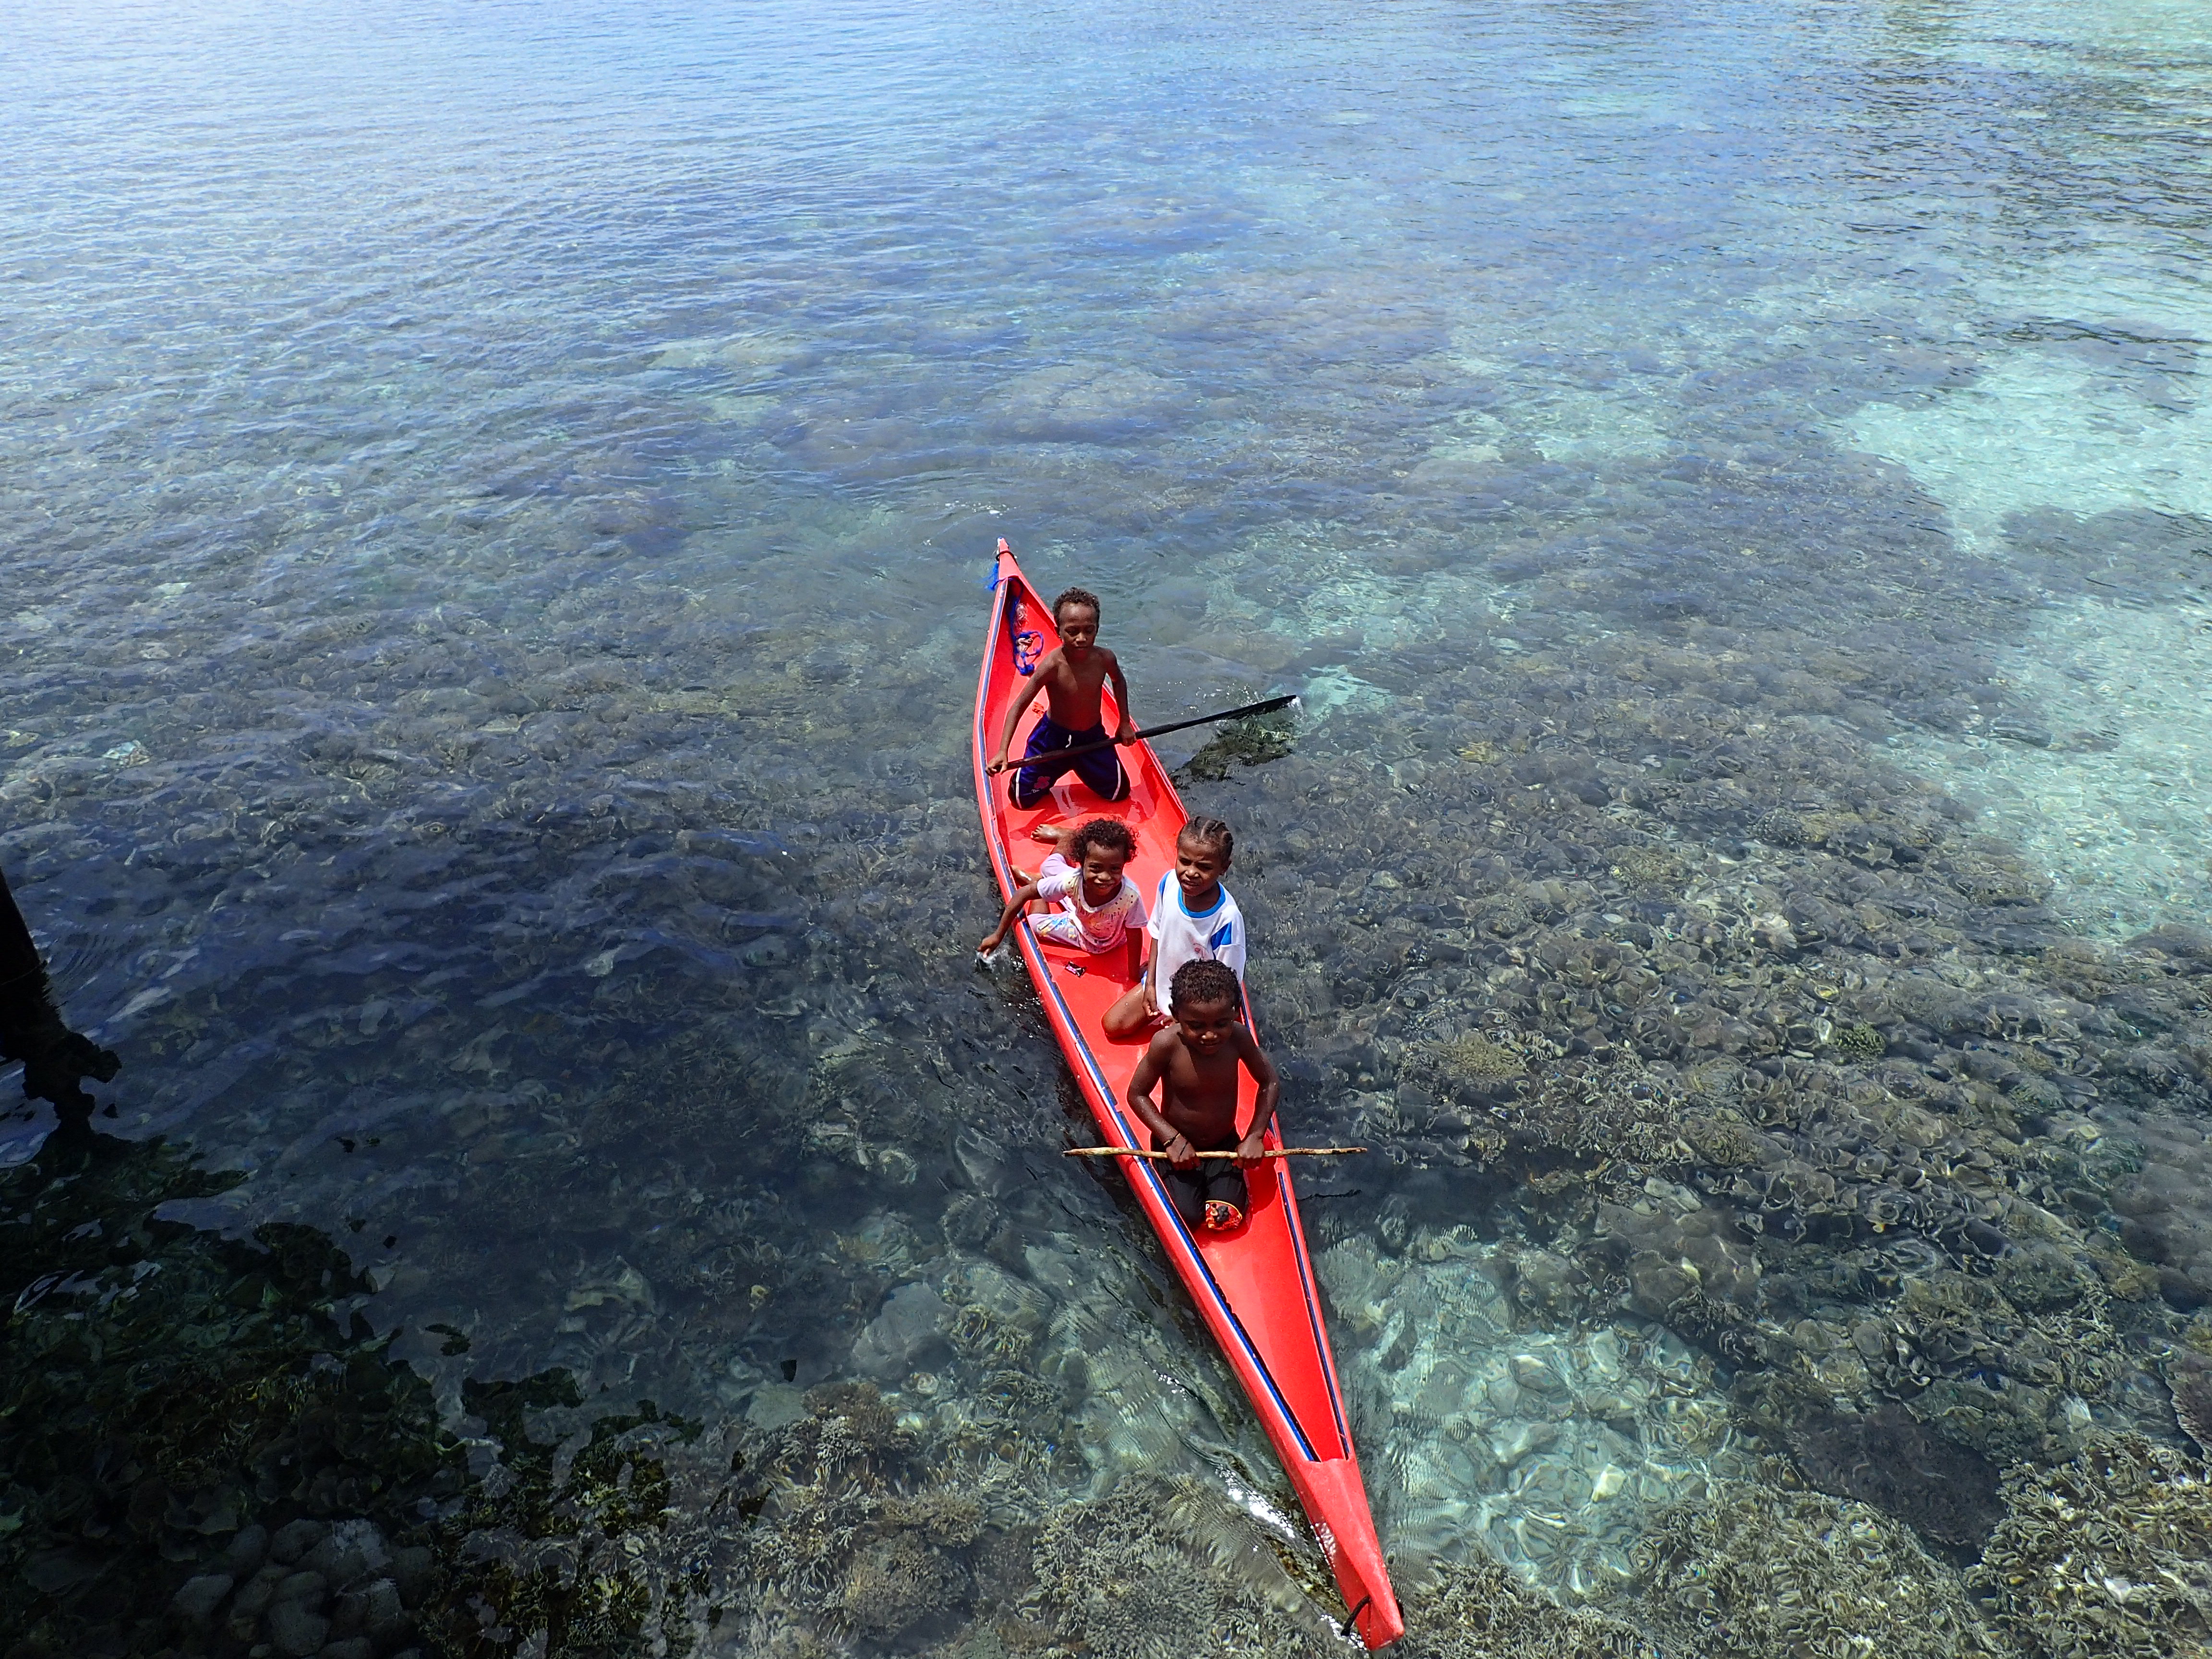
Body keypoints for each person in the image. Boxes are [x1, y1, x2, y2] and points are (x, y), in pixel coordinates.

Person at [1123, 959, 1279, 1232]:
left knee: (1224, 1218)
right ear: (1175, 1014)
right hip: (1175, 1148)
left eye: (1221, 1023)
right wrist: (1170, 1139)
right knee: (1189, 1218)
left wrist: (1254, 1135)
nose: (1210, 1035)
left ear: (1235, 1012)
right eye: (1196, 1025)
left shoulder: (1239, 1038)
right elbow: (1137, 1095)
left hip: (1224, 1145)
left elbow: (1270, 1082)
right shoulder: (1166, 1044)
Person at [986, 587, 1137, 808]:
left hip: (1091, 738)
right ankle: (1058, 766)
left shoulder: (1105, 658)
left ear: (1098, 629)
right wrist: (1003, 751)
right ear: (1058, 631)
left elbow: (1118, 681)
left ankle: (1078, 763)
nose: (1081, 638)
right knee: (1021, 801)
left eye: (1089, 630)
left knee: (1119, 793)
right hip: (1053, 740)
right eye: (1072, 631)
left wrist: (1124, 722)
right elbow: (1018, 706)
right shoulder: (1052, 666)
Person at [1102, 816, 1244, 1041]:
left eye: (1204, 867)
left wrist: (1184, 1018)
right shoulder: (1169, 883)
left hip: (1199, 1005)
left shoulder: (1227, 919)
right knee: (1113, 1025)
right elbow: (1158, 934)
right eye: (1185, 861)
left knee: (1166, 1050)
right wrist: (1151, 985)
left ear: (1224, 868)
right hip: (1163, 984)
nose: (1191, 873)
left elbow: (1227, 985)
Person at [979, 817, 1146, 966]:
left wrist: (1134, 975)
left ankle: (1040, 882)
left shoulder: (1130, 897)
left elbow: (1134, 934)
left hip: (1097, 939)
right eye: (1096, 868)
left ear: (1124, 864)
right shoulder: (1072, 881)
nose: (1105, 877)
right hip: (1080, 907)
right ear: (1081, 862)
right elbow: (1022, 894)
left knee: (1035, 922)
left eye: (1115, 869)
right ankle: (1070, 838)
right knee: (1048, 867)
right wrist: (997, 936)